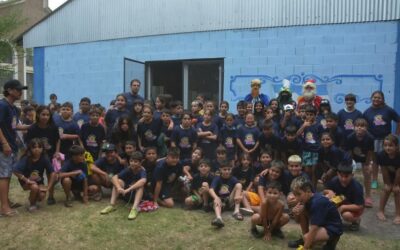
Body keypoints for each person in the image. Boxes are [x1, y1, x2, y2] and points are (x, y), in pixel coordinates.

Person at [288, 176, 343, 249]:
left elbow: (314, 229)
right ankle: (306, 239)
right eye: (295, 195)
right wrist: (294, 212)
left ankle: (331, 242)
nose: (297, 198)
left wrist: (305, 248)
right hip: (323, 224)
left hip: (333, 227)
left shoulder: (317, 203)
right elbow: (297, 220)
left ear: (308, 191)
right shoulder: (306, 199)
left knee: (307, 237)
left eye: (299, 194)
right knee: (302, 212)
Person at [0, 79, 28, 216]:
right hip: (3, 147)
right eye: (18, 89)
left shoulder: (13, 108)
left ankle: (6, 202)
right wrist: (4, 143)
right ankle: (4, 208)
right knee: (4, 176)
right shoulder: (2, 105)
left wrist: (32, 127)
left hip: (12, 146)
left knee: (7, 175)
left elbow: (15, 126)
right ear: (9, 90)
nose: (21, 92)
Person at [363, 91, 400, 189]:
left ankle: (387, 182)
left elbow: (398, 120)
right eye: (374, 97)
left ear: (382, 99)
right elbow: (363, 125)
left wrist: (396, 135)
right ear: (371, 98)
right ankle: (374, 180)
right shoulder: (367, 112)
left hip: (385, 140)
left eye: (379, 98)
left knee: (386, 161)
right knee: (375, 160)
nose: (376, 99)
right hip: (373, 140)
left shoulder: (388, 110)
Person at [12, 138, 57, 212]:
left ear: (42, 148)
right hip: (26, 182)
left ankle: (32, 198)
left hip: (39, 182)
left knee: (42, 195)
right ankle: (32, 205)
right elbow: (15, 170)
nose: (37, 149)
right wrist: (27, 180)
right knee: (35, 187)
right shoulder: (26, 158)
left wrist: (48, 187)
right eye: (34, 147)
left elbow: (52, 172)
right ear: (30, 148)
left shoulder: (44, 158)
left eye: (39, 147)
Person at [100, 151, 146, 220]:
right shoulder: (128, 169)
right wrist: (118, 187)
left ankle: (134, 209)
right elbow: (114, 177)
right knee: (119, 181)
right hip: (125, 194)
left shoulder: (142, 170)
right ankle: (112, 205)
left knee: (140, 186)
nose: (133, 163)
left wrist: (128, 189)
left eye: (136, 162)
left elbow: (143, 181)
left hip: (135, 195)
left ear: (140, 163)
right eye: (131, 161)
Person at [324, 163, 364, 231]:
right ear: (337, 174)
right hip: (339, 200)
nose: (343, 179)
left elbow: (360, 206)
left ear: (352, 175)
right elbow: (324, 191)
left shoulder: (357, 187)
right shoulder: (334, 180)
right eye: (341, 176)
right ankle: (328, 219)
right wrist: (329, 192)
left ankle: (356, 221)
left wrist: (343, 207)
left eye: (346, 176)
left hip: (352, 206)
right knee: (326, 198)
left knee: (346, 215)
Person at [345, 118, 374, 207]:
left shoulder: (370, 138)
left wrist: (367, 164)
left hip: (365, 157)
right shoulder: (350, 137)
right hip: (353, 157)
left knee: (367, 173)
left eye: (362, 126)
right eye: (357, 126)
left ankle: (368, 196)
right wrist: (351, 164)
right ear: (354, 127)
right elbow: (349, 152)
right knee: (349, 174)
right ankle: (349, 195)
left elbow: (370, 152)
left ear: (366, 128)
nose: (359, 128)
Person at [209, 161, 243, 228]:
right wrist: (216, 197)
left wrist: (239, 197)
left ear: (231, 170)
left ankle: (236, 211)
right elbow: (211, 189)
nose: (227, 171)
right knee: (216, 201)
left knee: (239, 185)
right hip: (220, 200)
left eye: (229, 169)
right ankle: (219, 218)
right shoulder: (217, 178)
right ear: (220, 170)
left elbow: (240, 190)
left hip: (229, 200)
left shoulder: (233, 179)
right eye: (224, 169)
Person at [376, 134, 400, 224]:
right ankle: (380, 211)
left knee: (397, 190)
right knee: (386, 189)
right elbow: (384, 170)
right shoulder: (381, 155)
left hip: (399, 176)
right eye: (385, 145)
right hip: (389, 176)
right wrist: (388, 184)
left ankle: (398, 214)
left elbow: (399, 172)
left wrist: (396, 185)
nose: (387, 148)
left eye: (390, 145)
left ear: (396, 146)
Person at [297, 105, 323, 187]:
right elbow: (297, 134)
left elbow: (321, 138)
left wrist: (320, 148)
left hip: (316, 150)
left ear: (315, 115)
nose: (309, 116)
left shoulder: (319, 125)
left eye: (311, 115)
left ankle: (313, 188)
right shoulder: (303, 124)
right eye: (307, 114)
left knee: (314, 171)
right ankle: (307, 187)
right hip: (306, 150)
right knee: (307, 171)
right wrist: (304, 126)